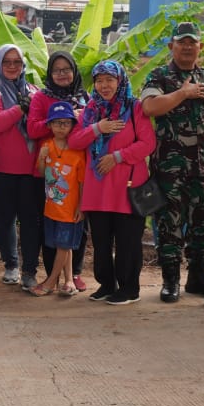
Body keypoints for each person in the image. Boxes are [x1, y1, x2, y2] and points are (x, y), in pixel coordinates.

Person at [139, 22, 204, 300]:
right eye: (182, 42)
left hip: (202, 164)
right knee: (169, 223)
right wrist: (182, 93)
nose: (187, 47)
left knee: (203, 222)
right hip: (169, 167)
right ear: (171, 46)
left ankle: (198, 278)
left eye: (192, 42)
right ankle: (171, 281)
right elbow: (149, 107)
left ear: (200, 46)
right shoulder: (159, 76)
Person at [70, 59, 156, 304]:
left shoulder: (134, 107)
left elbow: (147, 144)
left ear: (120, 81)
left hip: (128, 186)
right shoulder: (90, 110)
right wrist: (98, 127)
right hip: (98, 188)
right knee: (101, 241)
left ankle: (129, 289)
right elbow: (76, 141)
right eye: (99, 80)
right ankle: (106, 285)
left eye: (110, 79)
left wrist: (117, 157)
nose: (104, 85)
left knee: (128, 240)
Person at [27, 51, 88, 291]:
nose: (62, 74)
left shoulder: (85, 97)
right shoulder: (42, 97)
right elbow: (32, 129)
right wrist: (61, 118)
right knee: (52, 226)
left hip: (78, 167)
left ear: (74, 71)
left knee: (76, 225)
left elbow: (92, 126)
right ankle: (54, 273)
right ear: (50, 73)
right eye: (56, 70)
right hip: (50, 172)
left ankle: (73, 276)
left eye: (66, 69)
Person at [0, 43, 38, 286]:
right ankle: (11, 265)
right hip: (3, 168)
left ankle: (29, 271)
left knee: (29, 221)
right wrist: (20, 109)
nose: (13, 66)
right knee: (5, 220)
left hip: (30, 169)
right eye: (8, 62)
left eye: (17, 62)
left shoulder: (34, 90)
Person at [33, 101, 86, 296]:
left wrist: (81, 207)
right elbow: (41, 173)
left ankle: (50, 282)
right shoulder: (47, 146)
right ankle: (69, 281)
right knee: (63, 246)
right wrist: (41, 157)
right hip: (51, 208)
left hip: (70, 209)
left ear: (72, 125)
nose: (61, 127)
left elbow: (82, 183)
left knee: (64, 246)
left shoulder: (78, 151)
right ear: (49, 126)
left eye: (65, 123)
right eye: (57, 123)